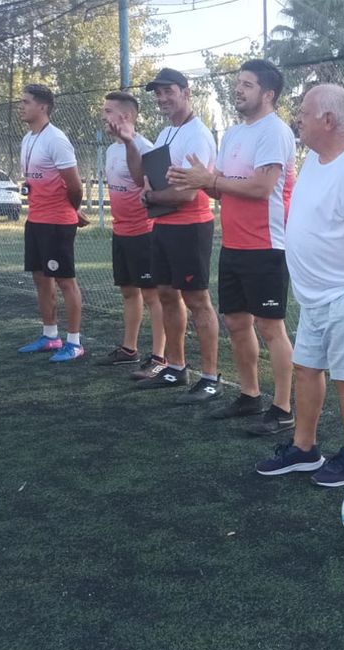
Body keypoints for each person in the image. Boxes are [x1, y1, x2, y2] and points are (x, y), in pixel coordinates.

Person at [253, 84, 344, 487]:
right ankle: (304, 449)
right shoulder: (316, 158)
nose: (297, 117)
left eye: (304, 111)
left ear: (328, 120)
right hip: (317, 296)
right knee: (307, 367)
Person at [168, 59, 296, 432]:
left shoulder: (274, 132)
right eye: (238, 83)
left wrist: (210, 180)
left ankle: (283, 408)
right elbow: (218, 186)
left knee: (271, 328)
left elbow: (260, 188)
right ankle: (250, 396)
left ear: (268, 94)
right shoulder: (235, 134)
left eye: (248, 85)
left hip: (267, 245)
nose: (238, 90)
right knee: (237, 323)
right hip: (235, 244)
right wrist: (194, 179)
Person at [123, 68, 222, 401]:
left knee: (197, 300)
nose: (163, 98)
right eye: (158, 93)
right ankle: (176, 367)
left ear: (186, 92)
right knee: (166, 294)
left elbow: (187, 194)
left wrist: (150, 197)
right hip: (163, 226)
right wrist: (128, 141)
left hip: (191, 227)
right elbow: (141, 178)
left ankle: (210, 377)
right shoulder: (166, 133)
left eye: (169, 92)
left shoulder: (198, 134)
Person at [15, 83, 90, 362]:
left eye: (26, 102)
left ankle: (74, 342)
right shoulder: (28, 139)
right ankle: (50, 336)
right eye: (21, 102)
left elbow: (74, 185)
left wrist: (73, 210)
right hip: (35, 219)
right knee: (40, 277)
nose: (21, 106)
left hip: (57, 222)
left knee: (65, 280)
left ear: (42, 107)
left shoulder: (56, 139)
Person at [97, 91, 166, 369]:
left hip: (145, 233)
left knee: (152, 295)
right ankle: (130, 348)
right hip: (121, 232)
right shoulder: (112, 149)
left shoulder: (145, 148)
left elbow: (156, 192)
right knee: (128, 291)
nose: (104, 116)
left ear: (125, 116)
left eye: (109, 111)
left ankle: (160, 355)